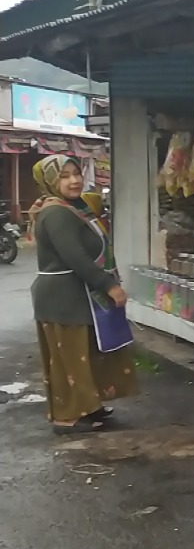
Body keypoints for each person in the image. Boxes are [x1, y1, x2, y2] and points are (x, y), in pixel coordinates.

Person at [29, 156, 136, 435]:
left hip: (78, 295)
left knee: (87, 352)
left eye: (76, 173)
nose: (74, 180)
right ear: (51, 182)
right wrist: (108, 285)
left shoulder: (73, 208)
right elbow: (74, 257)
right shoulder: (56, 213)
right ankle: (66, 417)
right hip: (62, 298)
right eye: (64, 176)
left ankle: (88, 407)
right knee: (69, 356)